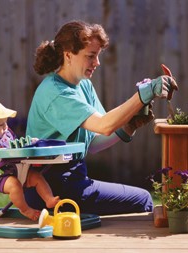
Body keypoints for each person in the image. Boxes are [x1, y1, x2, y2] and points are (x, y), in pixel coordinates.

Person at [24, 20, 178, 215]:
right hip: (50, 189)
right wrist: (143, 94)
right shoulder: (55, 93)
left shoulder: (83, 85)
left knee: (141, 198)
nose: (97, 63)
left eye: (97, 56)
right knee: (143, 199)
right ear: (68, 55)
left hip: (73, 180)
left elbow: (94, 143)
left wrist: (129, 126)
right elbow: (105, 125)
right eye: (91, 56)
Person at [0, 98, 60, 220]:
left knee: (36, 177)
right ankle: (25, 210)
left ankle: (49, 199)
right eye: (0, 124)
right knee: (15, 185)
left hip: (18, 169)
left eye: (6, 123)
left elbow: (15, 145)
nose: (5, 127)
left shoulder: (5, 134)